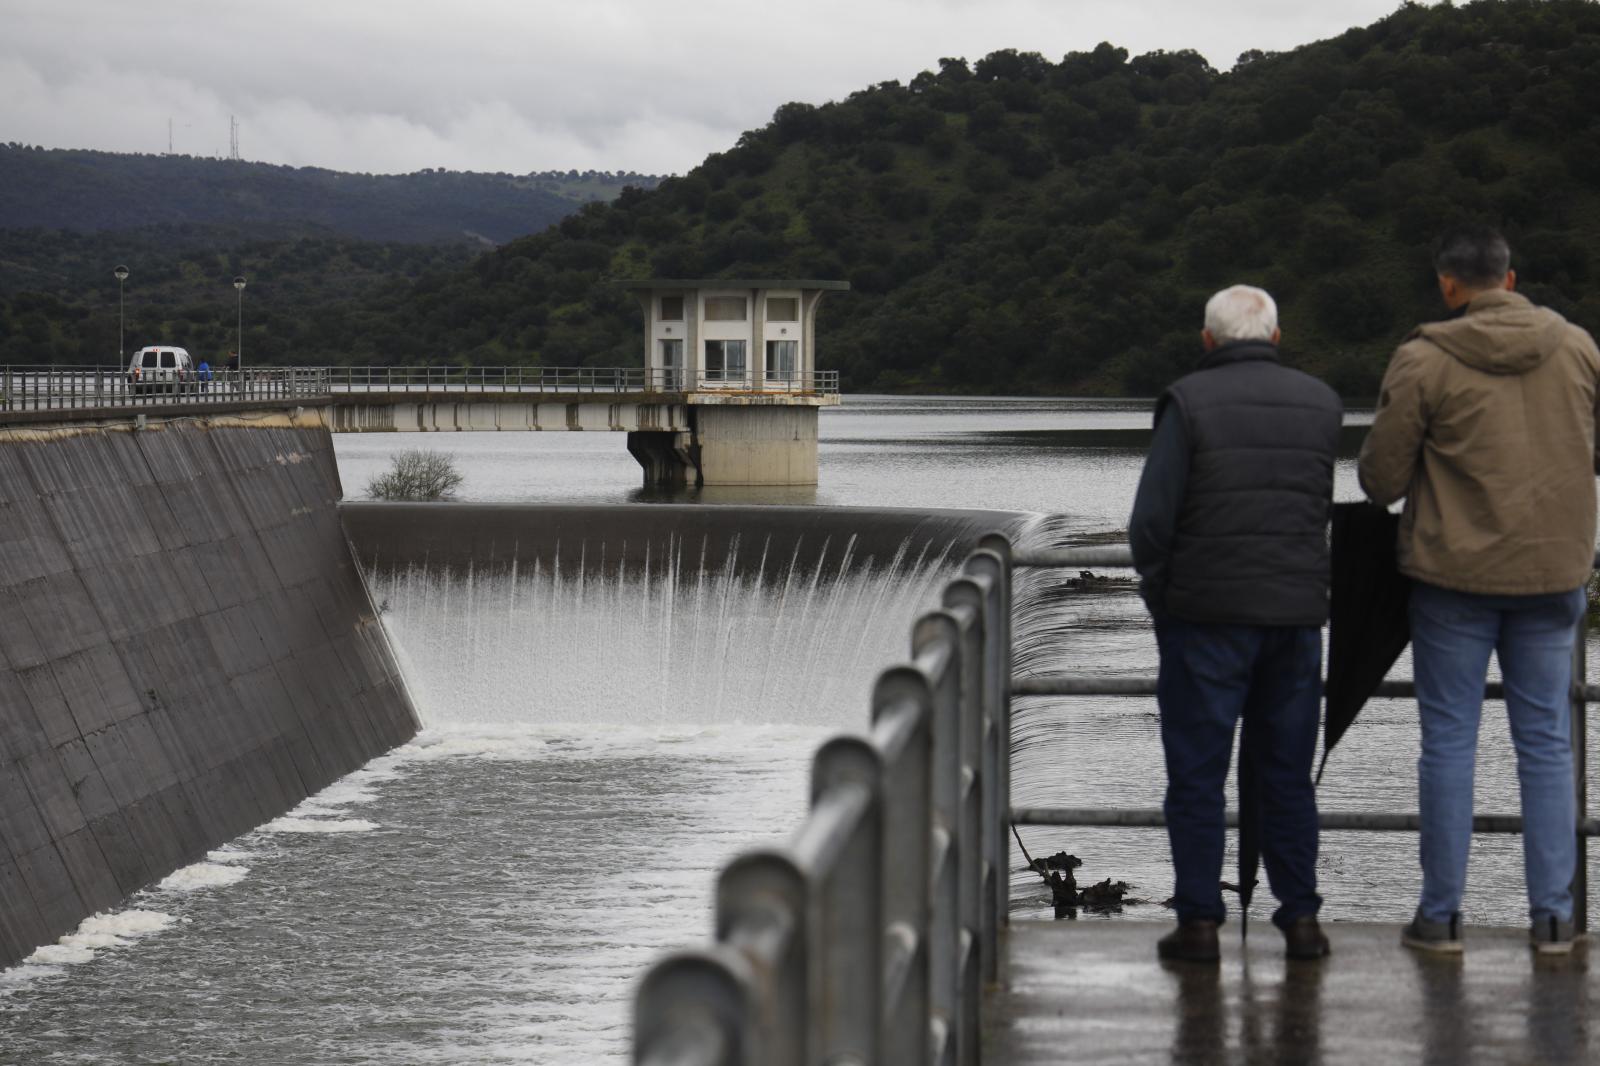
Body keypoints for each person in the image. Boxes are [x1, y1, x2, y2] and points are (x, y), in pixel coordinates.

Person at [1359, 224, 1600, 955]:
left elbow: (1380, 480)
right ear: (1513, 279)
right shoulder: (1580, 349)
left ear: (1449, 286)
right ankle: (1554, 920)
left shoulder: (1424, 359)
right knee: (1547, 746)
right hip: (1555, 575)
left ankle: (1441, 919)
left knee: (1450, 745)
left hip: (1453, 581)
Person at [1130, 284, 1342, 963]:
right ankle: (1301, 919)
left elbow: (1151, 525)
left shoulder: (1188, 403)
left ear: (1208, 341)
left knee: (1198, 773)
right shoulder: (1322, 404)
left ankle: (1199, 924)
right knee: (1286, 770)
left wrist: (1165, 599)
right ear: (1276, 338)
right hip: (1296, 620)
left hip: (1205, 618)